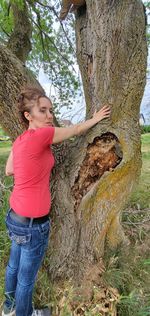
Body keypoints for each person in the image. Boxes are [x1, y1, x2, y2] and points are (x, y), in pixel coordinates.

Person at [3, 87, 110, 316]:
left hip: (15, 217)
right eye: (43, 111)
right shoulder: (42, 135)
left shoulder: (21, 140)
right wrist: (97, 119)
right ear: (28, 116)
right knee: (26, 279)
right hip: (32, 224)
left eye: (50, 110)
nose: (50, 115)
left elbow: (9, 170)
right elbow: (76, 130)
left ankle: (8, 307)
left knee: (14, 266)